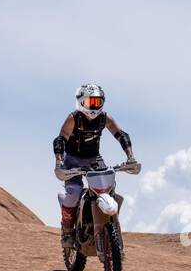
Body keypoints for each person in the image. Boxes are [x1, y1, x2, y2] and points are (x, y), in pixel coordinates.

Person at [53, 83, 138, 246]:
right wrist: (59, 161)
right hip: (72, 159)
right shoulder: (74, 118)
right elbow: (61, 138)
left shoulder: (104, 118)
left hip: (94, 158)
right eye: (91, 102)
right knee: (73, 193)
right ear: (81, 102)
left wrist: (130, 157)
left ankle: (108, 224)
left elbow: (120, 134)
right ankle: (67, 231)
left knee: (107, 187)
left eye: (98, 102)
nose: (94, 106)